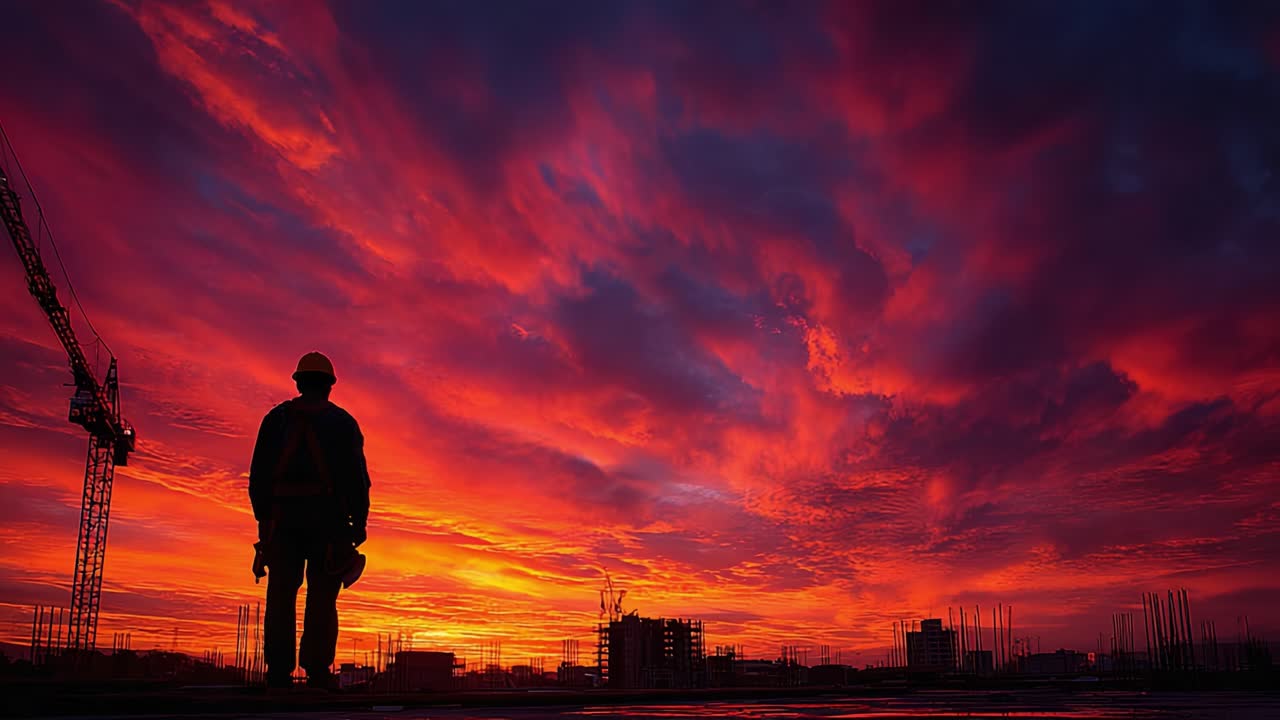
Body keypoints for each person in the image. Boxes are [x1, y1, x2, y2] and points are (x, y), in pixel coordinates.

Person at [249, 351, 371, 690]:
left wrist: (264, 523)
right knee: (321, 598)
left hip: (283, 524)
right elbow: (357, 480)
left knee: (280, 595)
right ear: (329, 386)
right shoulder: (342, 423)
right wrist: (358, 523)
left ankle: (278, 673)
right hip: (328, 526)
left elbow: (257, 478)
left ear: (299, 383)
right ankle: (317, 671)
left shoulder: (275, 421)